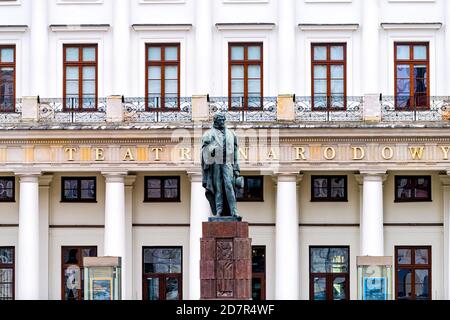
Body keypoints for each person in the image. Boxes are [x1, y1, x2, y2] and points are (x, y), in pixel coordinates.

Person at [202, 114, 243, 218]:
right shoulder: (208, 134)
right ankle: (219, 211)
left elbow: (235, 152)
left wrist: (236, 168)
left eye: (223, 120)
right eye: (220, 120)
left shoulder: (231, 134)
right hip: (216, 163)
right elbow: (204, 150)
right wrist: (211, 147)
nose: (222, 122)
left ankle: (234, 211)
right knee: (218, 188)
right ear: (215, 121)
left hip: (228, 163)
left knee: (229, 186)